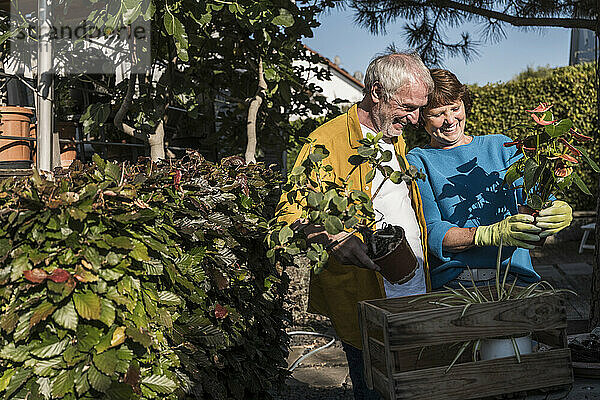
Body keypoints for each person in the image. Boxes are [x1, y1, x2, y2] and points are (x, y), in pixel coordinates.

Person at [278, 52, 434, 400]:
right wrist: (332, 237)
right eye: (408, 106)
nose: (415, 118)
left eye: (420, 108)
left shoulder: (392, 134)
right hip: (366, 305)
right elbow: (287, 218)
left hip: (413, 293)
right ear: (377, 92)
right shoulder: (326, 142)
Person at [406, 69, 573, 290]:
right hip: (455, 284)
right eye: (438, 114)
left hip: (514, 278)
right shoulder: (418, 161)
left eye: (455, 108)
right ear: (421, 119)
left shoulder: (501, 147)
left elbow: (534, 205)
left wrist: (553, 213)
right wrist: (487, 234)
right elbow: (432, 232)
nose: (450, 120)